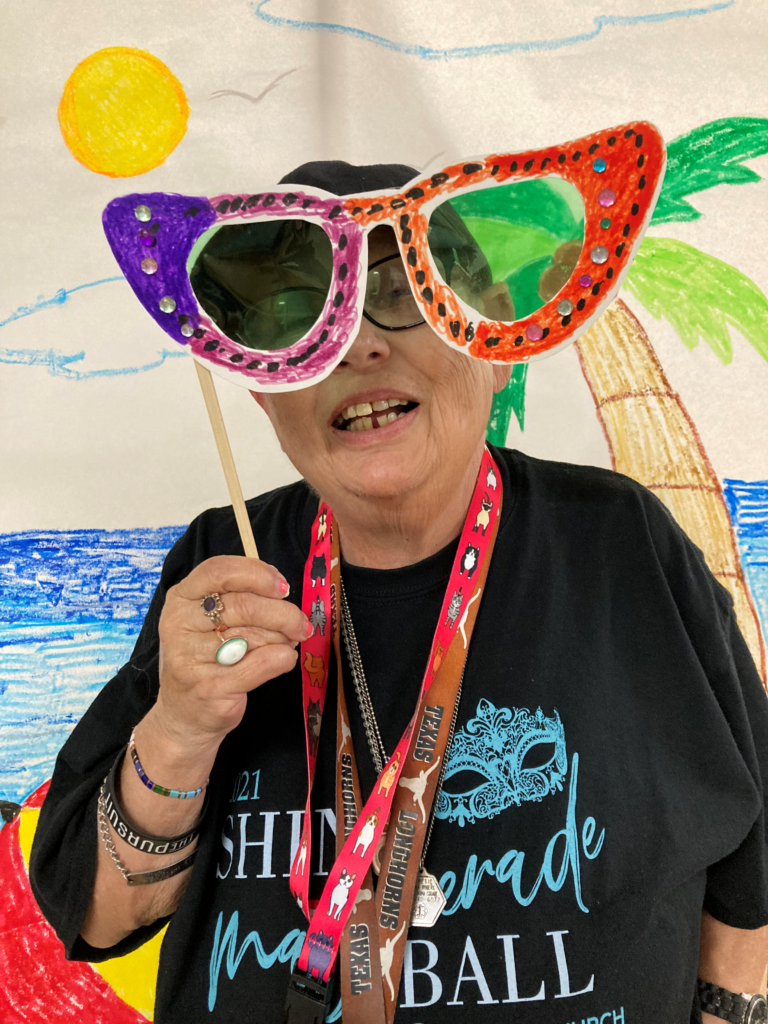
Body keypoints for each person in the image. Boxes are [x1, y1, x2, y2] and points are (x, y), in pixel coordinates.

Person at [30, 161, 768, 1024]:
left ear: (494, 352)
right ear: (266, 392)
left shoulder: (620, 540)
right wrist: (184, 726)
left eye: (407, 294)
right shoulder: (225, 565)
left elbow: (751, 863)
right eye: (302, 316)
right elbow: (94, 916)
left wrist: (730, 1009)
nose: (360, 345)